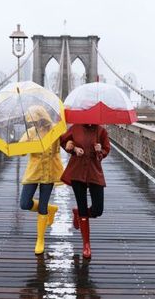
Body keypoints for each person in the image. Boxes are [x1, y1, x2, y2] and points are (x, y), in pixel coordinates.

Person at [60, 123, 110, 259]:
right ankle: (86, 244)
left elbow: (106, 149)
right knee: (83, 207)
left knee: (98, 209)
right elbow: (63, 141)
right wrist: (73, 148)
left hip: (94, 172)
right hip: (77, 170)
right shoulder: (75, 128)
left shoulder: (101, 131)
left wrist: (100, 150)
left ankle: (78, 213)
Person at [19, 105, 63, 255]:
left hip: (49, 172)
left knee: (42, 206)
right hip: (34, 171)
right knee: (24, 203)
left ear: (42, 117)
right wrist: (24, 147)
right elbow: (21, 152)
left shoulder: (55, 130)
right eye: (32, 121)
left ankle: (40, 240)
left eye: (35, 120)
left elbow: (63, 144)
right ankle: (51, 209)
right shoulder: (30, 132)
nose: (34, 123)